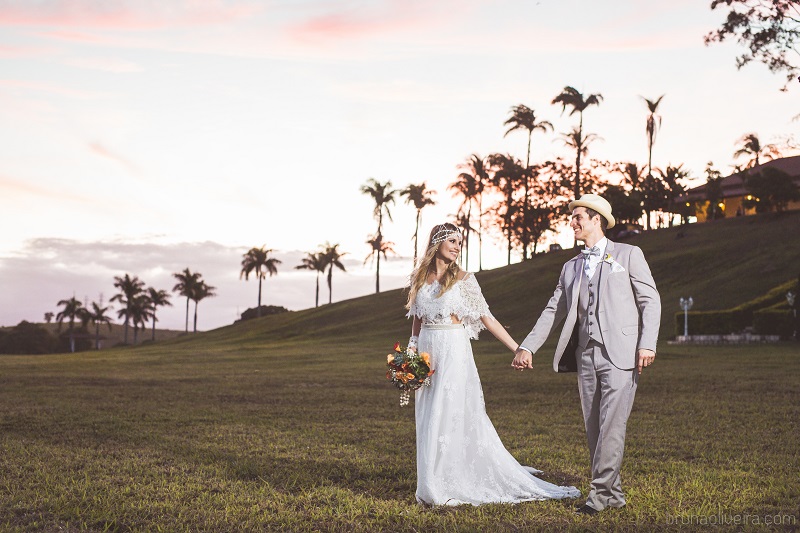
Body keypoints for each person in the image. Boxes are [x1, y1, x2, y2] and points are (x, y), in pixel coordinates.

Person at [406, 222, 580, 506]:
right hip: (426, 351)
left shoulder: (463, 279)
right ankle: (430, 479)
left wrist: (519, 348)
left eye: (460, 243)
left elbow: (488, 318)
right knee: (428, 413)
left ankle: (452, 479)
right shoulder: (418, 278)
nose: (457, 246)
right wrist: (411, 354)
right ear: (437, 243)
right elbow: (417, 319)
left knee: (448, 410)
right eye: (452, 240)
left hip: (453, 351)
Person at [512, 194, 661, 516]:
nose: (573, 222)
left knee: (612, 426)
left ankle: (598, 495)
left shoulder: (629, 254)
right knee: (594, 427)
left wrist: (647, 343)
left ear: (597, 219)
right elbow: (554, 309)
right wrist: (527, 346)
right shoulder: (571, 267)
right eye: (572, 217)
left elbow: (651, 300)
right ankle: (614, 495)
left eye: (579, 216)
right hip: (585, 356)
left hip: (621, 354)